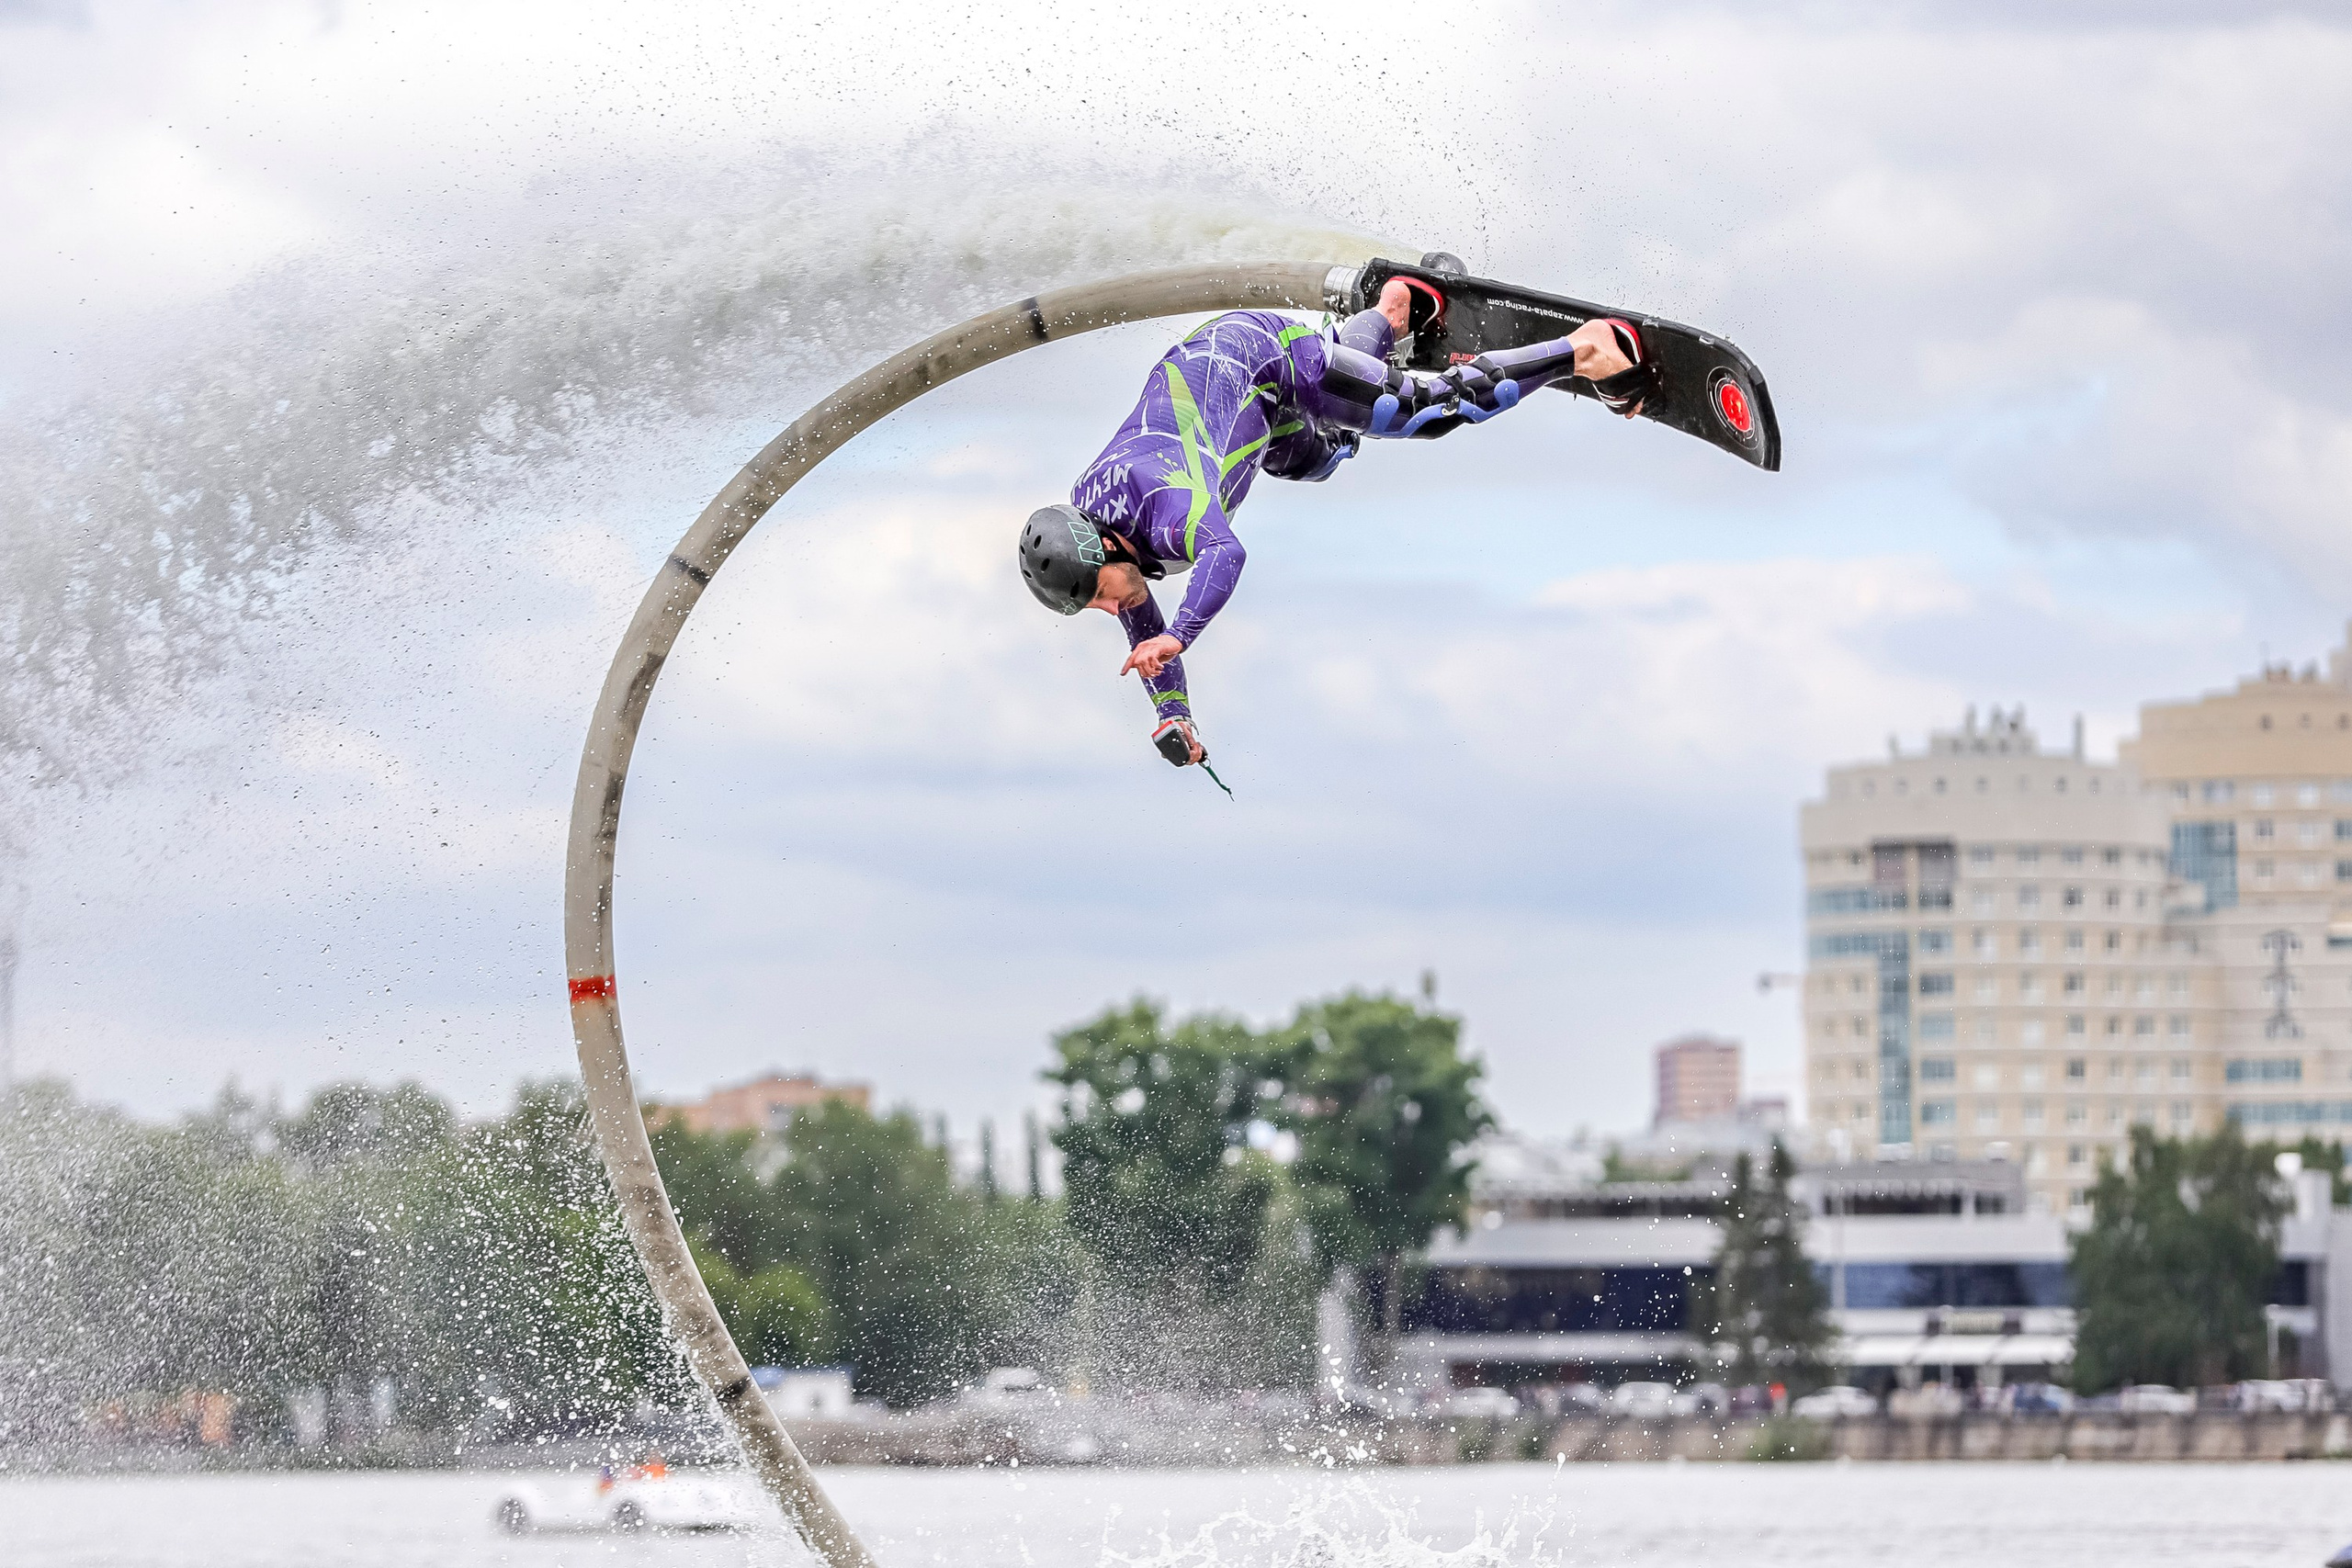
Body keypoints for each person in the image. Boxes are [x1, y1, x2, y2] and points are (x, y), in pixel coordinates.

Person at [1016, 275, 1652, 768]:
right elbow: (1142, 625)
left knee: (1427, 412)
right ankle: (1394, 309)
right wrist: (1174, 714)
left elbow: (1224, 556)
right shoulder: (1097, 542)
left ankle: (1586, 348)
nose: (1113, 607)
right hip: (1251, 407)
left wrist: (1181, 633)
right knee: (1322, 456)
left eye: (1099, 594)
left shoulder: (1163, 504)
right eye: (1094, 603)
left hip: (1270, 358)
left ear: (1102, 544)